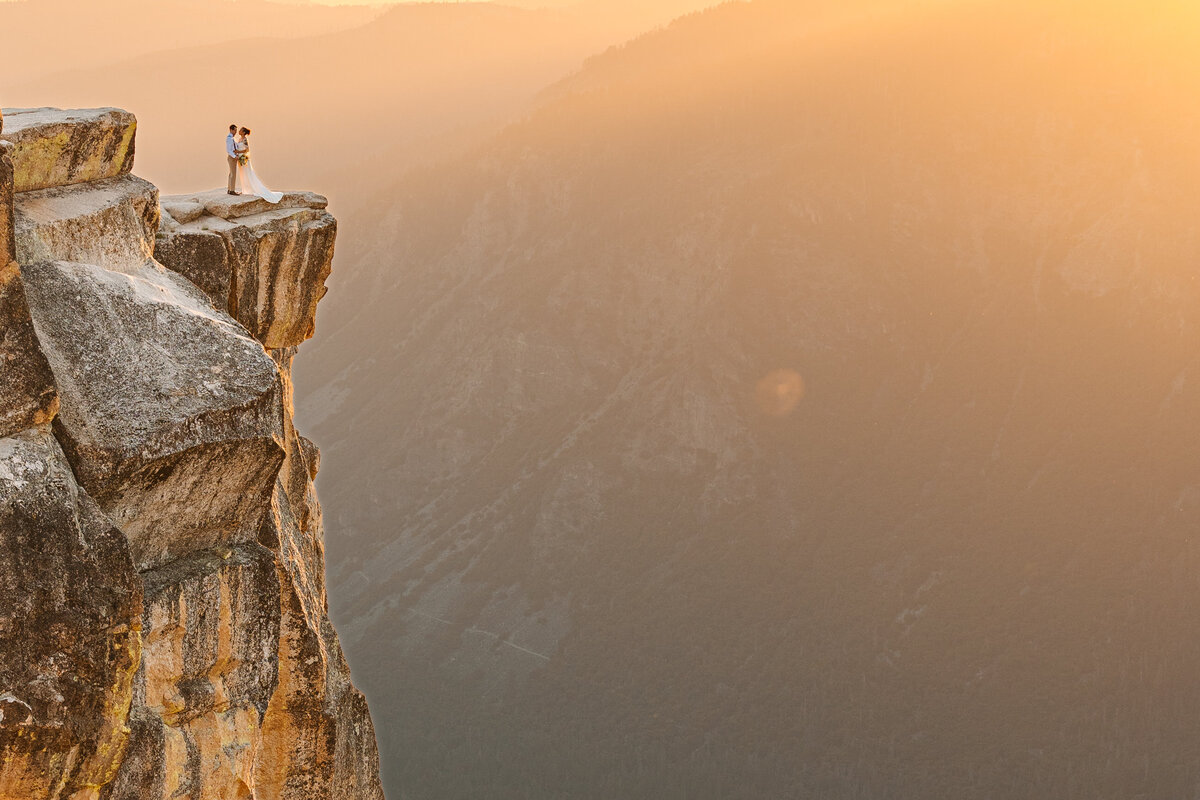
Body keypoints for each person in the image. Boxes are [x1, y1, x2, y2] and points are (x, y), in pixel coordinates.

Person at [234, 127, 283, 204]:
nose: (239, 131)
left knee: (247, 173)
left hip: (244, 158)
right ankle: (245, 189)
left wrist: (238, 151)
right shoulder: (240, 139)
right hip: (240, 158)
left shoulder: (245, 140)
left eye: (240, 130)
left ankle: (251, 188)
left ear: (243, 132)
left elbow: (247, 150)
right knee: (243, 173)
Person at [226, 123, 241, 195]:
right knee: (233, 174)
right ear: (231, 130)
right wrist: (235, 156)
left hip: (234, 157)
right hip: (232, 158)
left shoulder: (232, 138)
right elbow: (229, 150)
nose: (235, 132)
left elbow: (236, 147)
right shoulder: (229, 138)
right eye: (234, 130)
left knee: (231, 173)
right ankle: (232, 190)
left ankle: (229, 189)